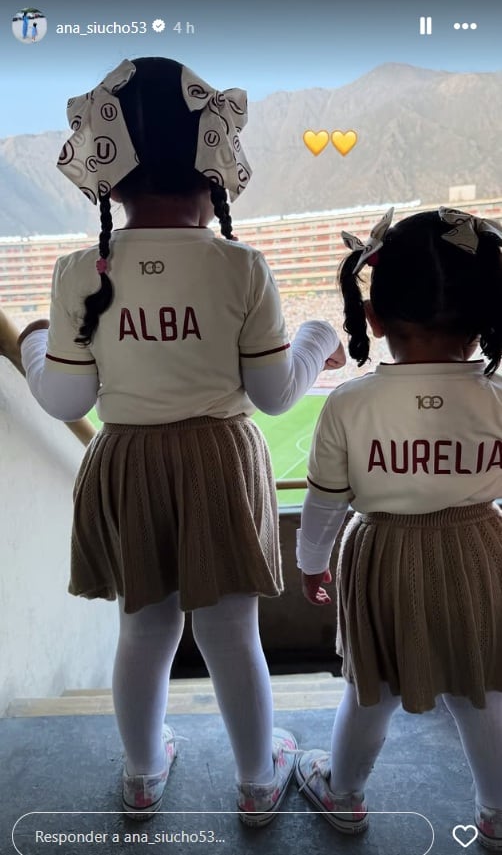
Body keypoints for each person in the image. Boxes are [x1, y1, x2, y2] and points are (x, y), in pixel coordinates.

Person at [17, 57, 344, 824]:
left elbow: (66, 397)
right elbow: (274, 394)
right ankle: (258, 780)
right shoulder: (241, 267)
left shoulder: (77, 272)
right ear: (214, 163)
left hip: (128, 462)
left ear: (110, 175)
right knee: (231, 630)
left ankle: (141, 773)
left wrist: (32, 343)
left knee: (144, 627)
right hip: (219, 463)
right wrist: (319, 334)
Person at [295, 207, 502, 849]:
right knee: (483, 689)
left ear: (375, 317)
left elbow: (324, 504)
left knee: (371, 690)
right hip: (481, 552)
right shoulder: (498, 397)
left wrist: (311, 563)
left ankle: (343, 794)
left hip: (381, 554)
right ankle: (498, 815)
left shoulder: (348, 403)